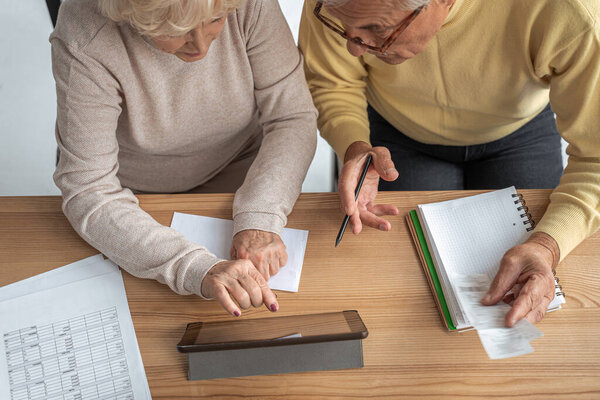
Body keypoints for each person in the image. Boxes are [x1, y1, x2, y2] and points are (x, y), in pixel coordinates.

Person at [299, 0, 600, 326]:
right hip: (394, 133)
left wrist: (546, 247)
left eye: (377, 30)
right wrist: (355, 146)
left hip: (518, 128)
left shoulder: (573, 11)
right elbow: (332, 81)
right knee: (403, 284)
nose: (353, 48)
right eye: (344, 27)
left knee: (543, 277)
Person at [50, 0, 317, 317]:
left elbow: (292, 118)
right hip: (134, 200)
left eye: (216, 19)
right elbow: (89, 189)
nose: (202, 47)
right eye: (174, 30)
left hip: (244, 176)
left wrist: (261, 217)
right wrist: (199, 269)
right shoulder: (86, 32)